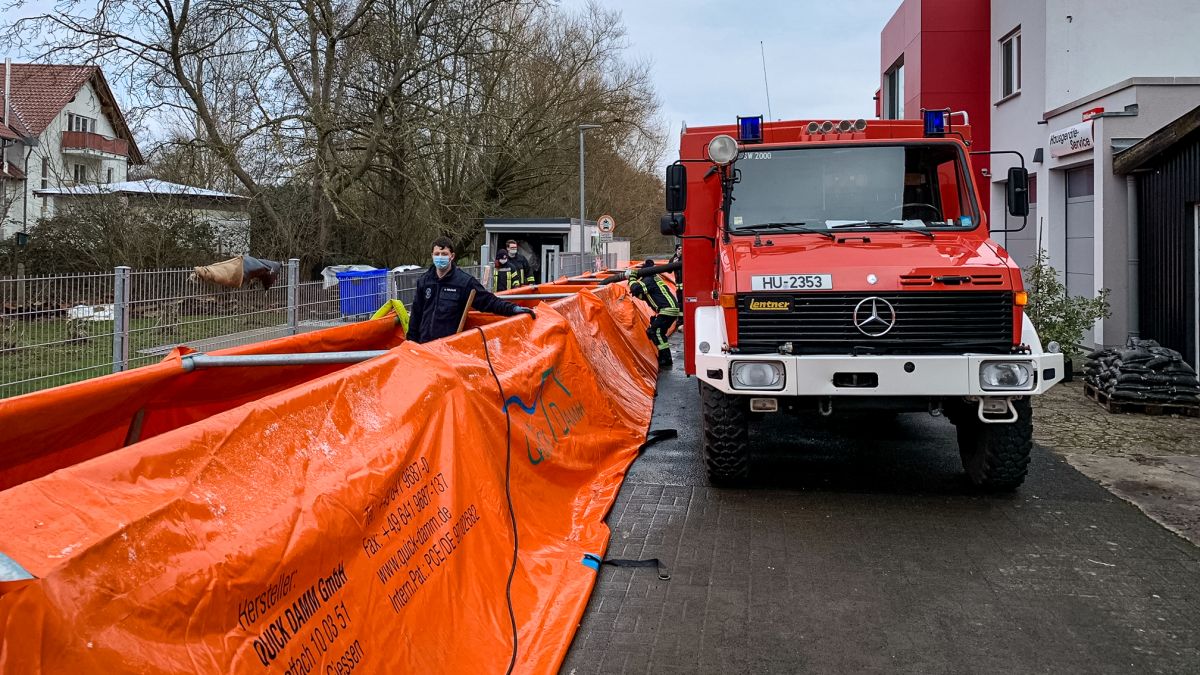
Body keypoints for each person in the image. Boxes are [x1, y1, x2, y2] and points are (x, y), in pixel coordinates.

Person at [407, 237, 535, 343]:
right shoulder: (424, 281)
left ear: (452, 256)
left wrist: (513, 309)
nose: (440, 257)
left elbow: (488, 301)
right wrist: (411, 343)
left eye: (444, 254)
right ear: (432, 256)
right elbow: (416, 314)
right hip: (424, 346)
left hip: (447, 348)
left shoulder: (464, 282)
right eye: (437, 254)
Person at [628, 258, 682, 368]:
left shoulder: (648, 280)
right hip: (669, 309)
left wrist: (632, 278)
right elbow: (645, 296)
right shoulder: (655, 278)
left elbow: (635, 289)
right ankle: (665, 356)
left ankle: (665, 359)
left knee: (655, 332)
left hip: (667, 310)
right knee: (657, 331)